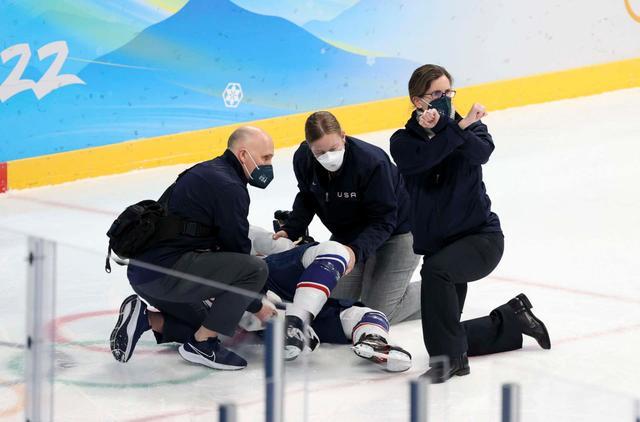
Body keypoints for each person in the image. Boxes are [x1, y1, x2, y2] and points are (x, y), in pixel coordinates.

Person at [390, 64, 551, 383]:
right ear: (416, 100)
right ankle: (512, 320)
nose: (443, 98)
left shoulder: (472, 130)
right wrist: (455, 128)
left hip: (480, 240)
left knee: (435, 278)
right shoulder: (404, 142)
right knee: (446, 329)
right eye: (434, 93)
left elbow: (481, 154)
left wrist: (456, 126)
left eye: (447, 92)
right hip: (441, 247)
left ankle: (451, 362)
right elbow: (424, 159)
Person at [109, 126, 277, 370]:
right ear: (243, 155)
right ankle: (203, 346)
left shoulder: (203, 171)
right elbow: (240, 255)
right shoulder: (230, 187)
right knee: (255, 268)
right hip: (167, 275)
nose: (269, 165)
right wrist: (258, 304)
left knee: (209, 322)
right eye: (266, 158)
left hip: (143, 275)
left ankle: (144, 319)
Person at [273, 111, 420, 323]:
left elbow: (384, 219)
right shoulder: (303, 159)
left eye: (333, 149)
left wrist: (356, 251)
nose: (328, 157)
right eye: (320, 153)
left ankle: (435, 291)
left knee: (375, 312)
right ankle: (371, 279)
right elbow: (307, 196)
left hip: (397, 233)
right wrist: (291, 229)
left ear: (343, 136)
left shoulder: (371, 162)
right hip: (348, 234)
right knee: (328, 304)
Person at [245, 225, 412, 372]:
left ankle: (374, 339)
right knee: (335, 252)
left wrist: (290, 235)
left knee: (366, 314)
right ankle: (295, 325)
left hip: (271, 289)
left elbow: (272, 243)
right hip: (254, 291)